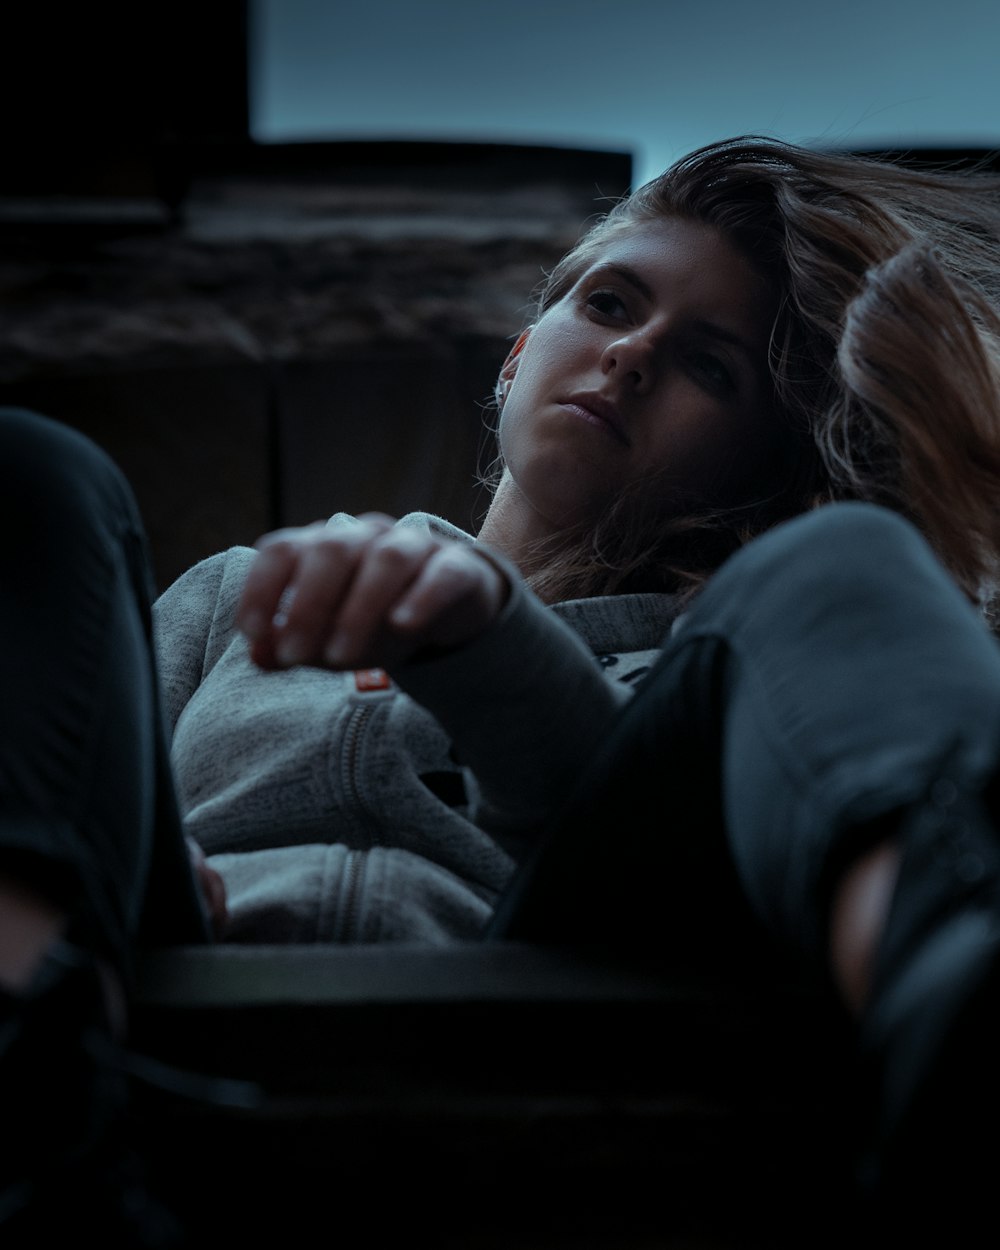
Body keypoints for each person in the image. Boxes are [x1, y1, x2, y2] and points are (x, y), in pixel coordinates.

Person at [3, 135, 1000, 1237]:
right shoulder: (231, 592)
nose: (632, 354)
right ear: (518, 353)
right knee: (38, 475)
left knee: (848, 562)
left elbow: (647, 865)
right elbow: (84, 774)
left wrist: (490, 640)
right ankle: (27, 1068)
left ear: (752, 465)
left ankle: (958, 1014)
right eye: (612, 302)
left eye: (711, 365)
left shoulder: (735, 660)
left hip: (564, 978)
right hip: (166, 990)